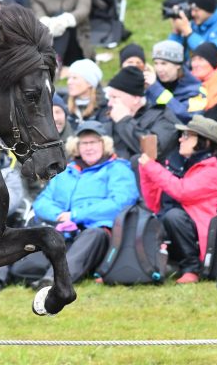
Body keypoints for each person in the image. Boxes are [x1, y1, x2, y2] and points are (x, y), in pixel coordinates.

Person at [10, 120, 139, 289]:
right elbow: (42, 202)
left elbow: (119, 203)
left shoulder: (118, 169)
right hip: (62, 231)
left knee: (94, 234)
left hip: (96, 234)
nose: (88, 147)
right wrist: (59, 216)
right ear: (76, 146)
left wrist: (75, 215)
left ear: (104, 144)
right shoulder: (66, 171)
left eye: (93, 142)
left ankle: (54, 280)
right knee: (21, 266)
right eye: (83, 143)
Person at [138, 116, 217, 284]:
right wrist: (145, 171)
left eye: (187, 136)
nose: (181, 139)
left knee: (174, 216)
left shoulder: (216, 168)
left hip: (201, 233)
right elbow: (154, 203)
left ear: (205, 142)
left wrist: (151, 167)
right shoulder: (180, 163)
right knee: (157, 215)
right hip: (176, 228)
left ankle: (192, 268)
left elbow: (182, 191)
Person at [105, 65, 179, 162]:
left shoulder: (164, 118)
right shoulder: (112, 119)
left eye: (115, 97)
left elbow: (152, 151)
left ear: (136, 99)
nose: (109, 103)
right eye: (109, 98)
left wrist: (125, 121)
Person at [145, 40, 204, 123]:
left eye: (164, 63)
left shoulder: (196, 90)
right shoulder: (152, 84)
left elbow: (186, 115)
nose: (159, 69)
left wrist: (156, 88)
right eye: (156, 63)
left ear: (178, 65)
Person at [63, 58, 106, 125]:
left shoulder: (104, 106)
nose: (69, 82)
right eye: (68, 78)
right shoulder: (64, 103)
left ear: (89, 83)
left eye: (74, 78)